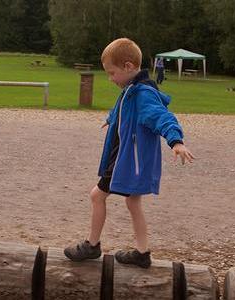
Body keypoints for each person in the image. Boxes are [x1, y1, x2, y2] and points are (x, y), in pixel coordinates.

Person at [64, 38, 194, 268]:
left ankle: (92, 245)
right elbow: (122, 107)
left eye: (112, 73)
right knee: (133, 203)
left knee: (97, 195)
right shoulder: (132, 89)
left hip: (128, 158)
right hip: (126, 156)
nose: (110, 78)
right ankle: (142, 253)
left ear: (128, 67)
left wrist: (176, 141)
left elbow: (161, 117)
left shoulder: (143, 94)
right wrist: (111, 119)